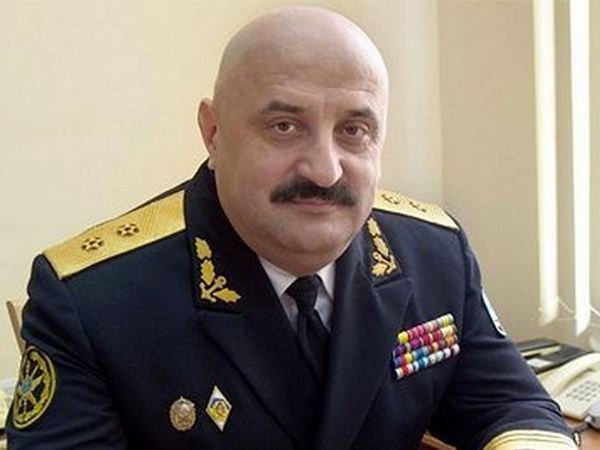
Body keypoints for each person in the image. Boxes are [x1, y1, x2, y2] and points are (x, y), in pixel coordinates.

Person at [7, 6, 576, 450]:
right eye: (284, 126)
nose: (325, 170)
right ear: (213, 132)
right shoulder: (94, 300)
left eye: (354, 130)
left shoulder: (434, 253)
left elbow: (513, 406)